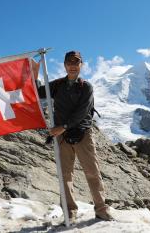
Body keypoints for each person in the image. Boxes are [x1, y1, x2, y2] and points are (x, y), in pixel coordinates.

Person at [32, 50, 114, 224]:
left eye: (76, 63)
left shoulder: (86, 87)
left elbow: (82, 112)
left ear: (81, 65)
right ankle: (70, 213)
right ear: (64, 65)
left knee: (92, 172)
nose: (73, 66)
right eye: (69, 63)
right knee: (64, 175)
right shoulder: (58, 85)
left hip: (82, 134)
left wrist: (63, 127)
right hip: (62, 137)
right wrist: (34, 72)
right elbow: (38, 92)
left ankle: (101, 210)